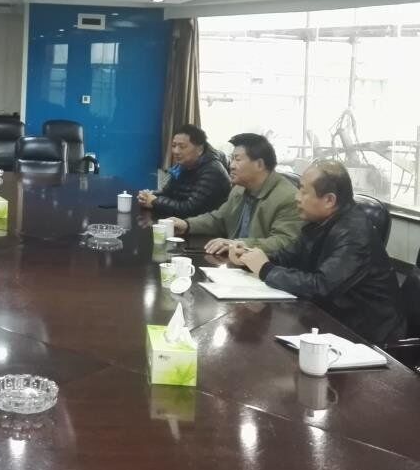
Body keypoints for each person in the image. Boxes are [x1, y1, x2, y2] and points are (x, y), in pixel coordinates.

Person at [231, 160, 406, 343]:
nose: (296, 197)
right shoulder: (319, 221)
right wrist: (249, 258)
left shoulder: (354, 234)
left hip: (367, 336)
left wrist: (266, 269)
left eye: (303, 191)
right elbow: (288, 256)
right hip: (330, 318)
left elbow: (320, 286)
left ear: (329, 200)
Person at [170, 133, 303, 255]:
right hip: (233, 261)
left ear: (259, 164)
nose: (231, 165)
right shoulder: (239, 188)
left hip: (262, 268)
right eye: (231, 159)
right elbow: (219, 219)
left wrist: (239, 245)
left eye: (237, 160)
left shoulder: (288, 197)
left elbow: (285, 242)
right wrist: (187, 225)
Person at [138, 124, 231, 218]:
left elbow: (190, 209)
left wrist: (154, 201)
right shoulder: (184, 165)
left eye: (182, 147)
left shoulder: (212, 171)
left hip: (203, 225)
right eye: (173, 146)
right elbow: (167, 192)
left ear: (200, 149)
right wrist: (147, 196)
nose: (176, 151)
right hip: (182, 221)